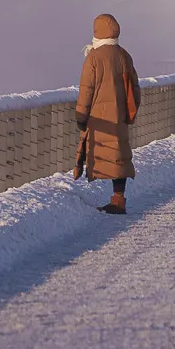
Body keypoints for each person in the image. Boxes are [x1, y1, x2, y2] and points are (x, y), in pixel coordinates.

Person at [76, 12, 141, 214]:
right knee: (119, 156)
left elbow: (86, 90)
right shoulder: (124, 55)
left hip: (99, 117)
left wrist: (81, 116)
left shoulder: (94, 57)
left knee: (99, 152)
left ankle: (76, 197)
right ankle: (118, 199)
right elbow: (134, 87)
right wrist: (131, 112)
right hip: (119, 115)